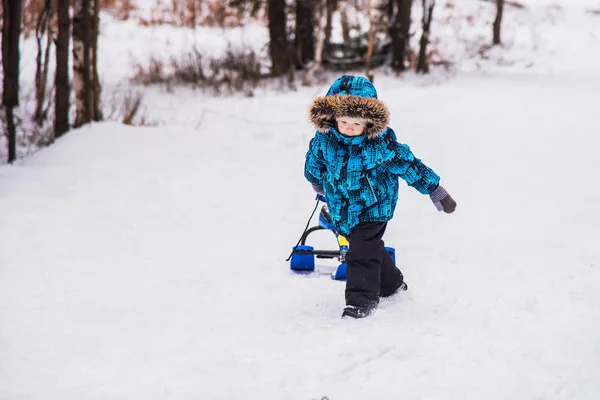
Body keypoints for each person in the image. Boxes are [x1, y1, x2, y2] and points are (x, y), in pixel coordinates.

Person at [304, 75, 456, 319]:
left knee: (360, 252)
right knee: (366, 247)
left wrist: (435, 190)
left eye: (357, 122)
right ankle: (392, 284)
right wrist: (316, 182)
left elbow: (410, 166)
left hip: (374, 207)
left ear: (370, 121)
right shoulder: (324, 141)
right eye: (343, 121)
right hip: (342, 206)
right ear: (332, 118)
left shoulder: (381, 145)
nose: (350, 128)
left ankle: (360, 301)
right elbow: (314, 163)